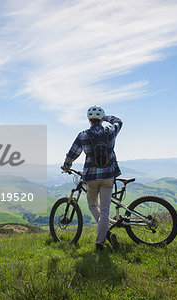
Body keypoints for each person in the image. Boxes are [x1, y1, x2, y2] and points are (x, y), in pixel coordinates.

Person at [61, 105, 122, 251]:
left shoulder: (83, 135)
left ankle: (105, 235)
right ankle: (100, 241)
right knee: (105, 210)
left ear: (89, 120)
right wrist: (106, 117)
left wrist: (67, 165)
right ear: (100, 119)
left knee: (93, 206)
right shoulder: (111, 131)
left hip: (91, 176)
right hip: (108, 175)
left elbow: (73, 153)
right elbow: (119, 121)